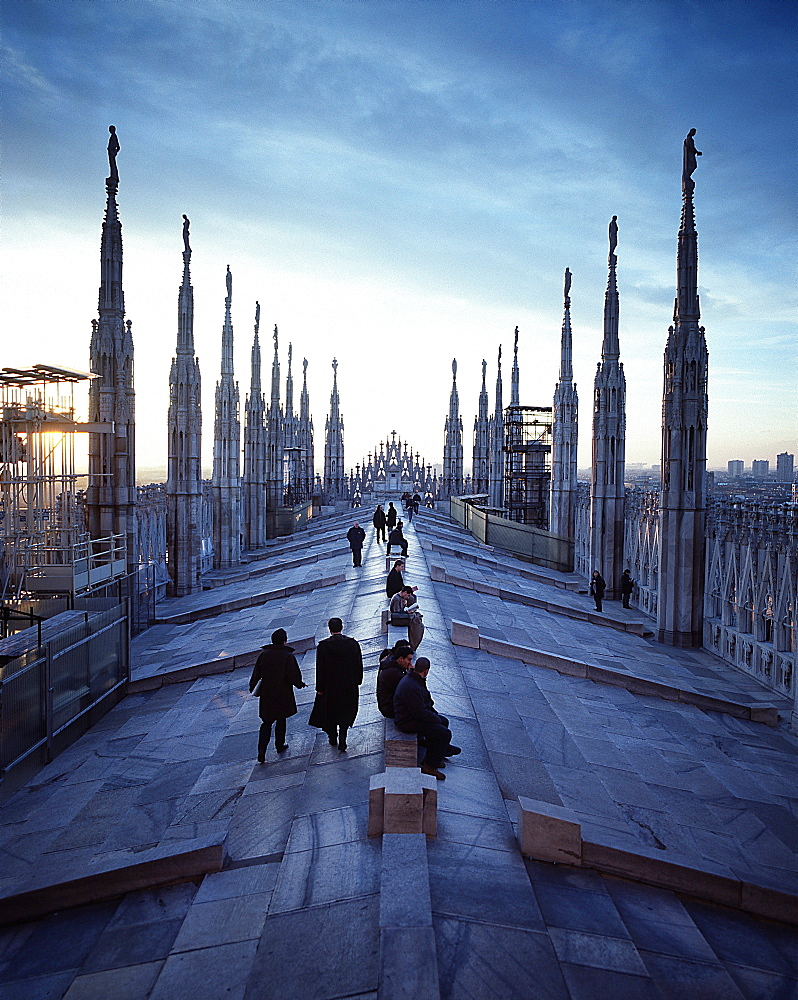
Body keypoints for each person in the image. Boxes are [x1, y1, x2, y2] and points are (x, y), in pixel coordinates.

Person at [394, 657, 460, 780]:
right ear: (426, 671)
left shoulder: (414, 679)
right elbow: (419, 713)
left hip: (411, 717)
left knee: (444, 721)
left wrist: (435, 716)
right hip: (407, 721)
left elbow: (425, 703)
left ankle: (437, 754)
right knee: (444, 733)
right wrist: (435, 718)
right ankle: (429, 766)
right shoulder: (412, 685)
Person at [249, 628, 307, 763]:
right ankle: (279, 745)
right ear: (284, 641)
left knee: (266, 723)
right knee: (281, 719)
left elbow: (256, 674)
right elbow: (293, 675)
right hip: (282, 693)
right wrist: (300, 684)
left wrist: (253, 688)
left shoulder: (264, 655)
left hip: (267, 695)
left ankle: (261, 751)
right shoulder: (287, 656)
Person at [309, 617, 363, 752]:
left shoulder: (323, 646)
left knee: (331, 713)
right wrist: (357, 680)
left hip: (330, 687)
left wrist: (320, 688)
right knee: (346, 711)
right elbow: (358, 664)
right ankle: (343, 738)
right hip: (348, 685)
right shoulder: (352, 644)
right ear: (342, 627)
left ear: (329, 629)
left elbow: (320, 669)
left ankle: (333, 737)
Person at [376, 643, 413, 718]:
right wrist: (412, 673)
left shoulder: (392, 665)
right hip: (390, 709)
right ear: (400, 659)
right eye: (409, 659)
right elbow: (410, 688)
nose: (410, 663)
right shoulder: (394, 673)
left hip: (390, 706)